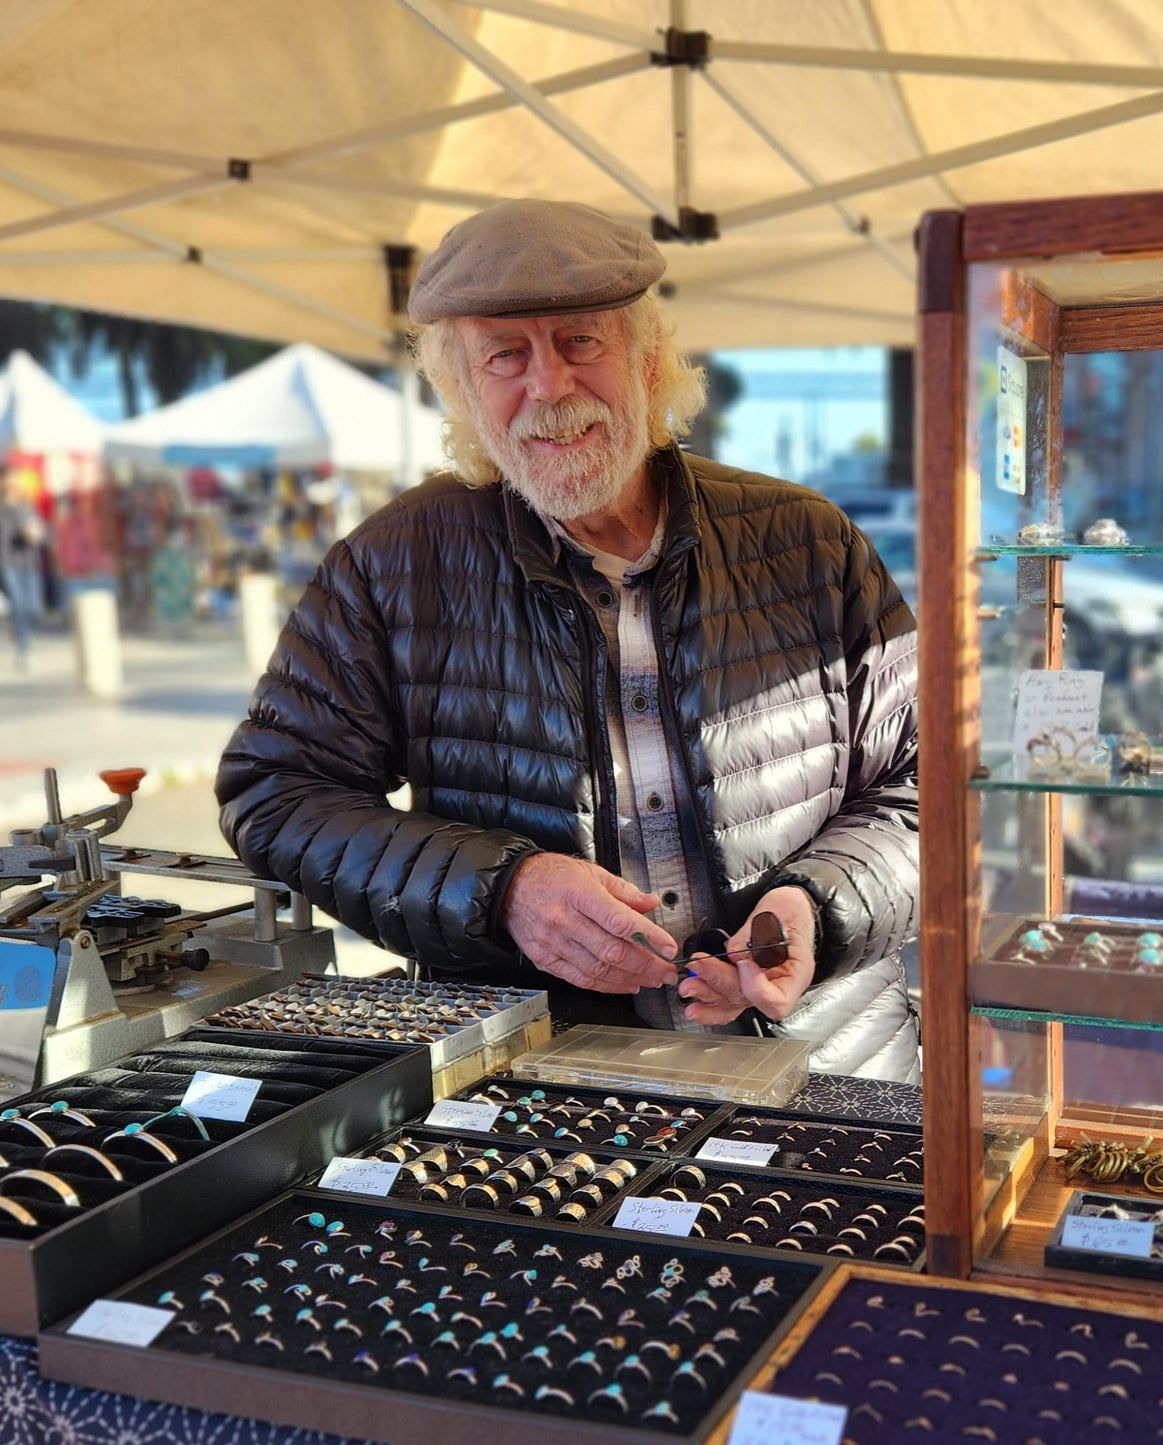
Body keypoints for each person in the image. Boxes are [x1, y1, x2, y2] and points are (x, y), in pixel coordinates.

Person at [216, 199, 920, 1080]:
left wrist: (819, 908)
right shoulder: (392, 563)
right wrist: (500, 890)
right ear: (465, 391)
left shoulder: (805, 538)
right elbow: (275, 792)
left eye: (580, 341)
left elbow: (927, 782)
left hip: (831, 1065)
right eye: (504, 356)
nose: (547, 386)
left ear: (649, 357)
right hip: (543, 1083)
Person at [0, 466, 46, 669]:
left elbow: (37, 528)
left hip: (28, 560)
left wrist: (36, 533)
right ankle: (23, 648)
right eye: (9, 479)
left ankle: (17, 630)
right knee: (18, 604)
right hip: (6, 561)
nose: (13, 483)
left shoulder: (26, 505)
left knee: (32, 606)